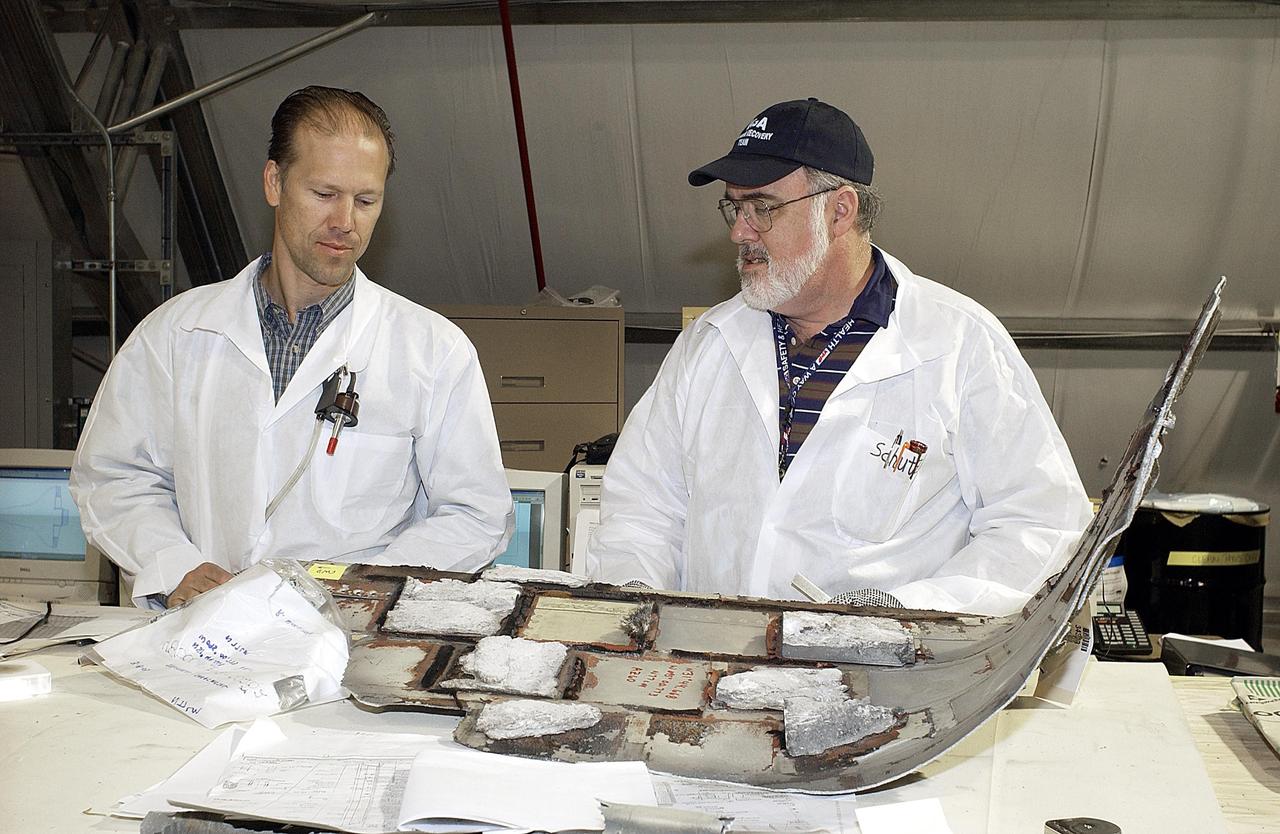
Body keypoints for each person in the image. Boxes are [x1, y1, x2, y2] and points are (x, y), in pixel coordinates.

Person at [585, 98, 1092, 616]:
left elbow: (1040, 525)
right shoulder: (708, 343)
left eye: (763, 207)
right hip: (716, 674)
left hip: (882, 679)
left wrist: (904, 615)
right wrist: (635, 609)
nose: (740, 231)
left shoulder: (958, 344)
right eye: (733, 207)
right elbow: (643, 509)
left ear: (840, 210)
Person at [71, 86, 513, 609]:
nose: (345, 221)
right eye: (324, 194)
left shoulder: (433, 350)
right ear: (274, 182)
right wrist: (173, 566)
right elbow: (114, 476)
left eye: (365, 201)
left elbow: (474, 513)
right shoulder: (177, 334)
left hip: (350, 642)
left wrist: (365, 586)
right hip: (203, 631)